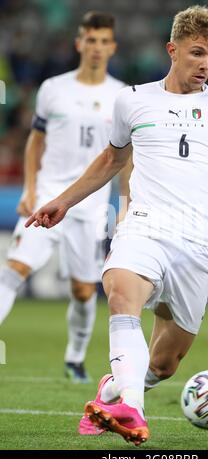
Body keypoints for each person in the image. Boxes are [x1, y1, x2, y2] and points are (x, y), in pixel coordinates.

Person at [26, 5, 208, 445]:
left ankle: (114, 389)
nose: (206, 65)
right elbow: (111, 160)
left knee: (165, 364)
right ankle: (132, 411)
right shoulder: (134, 99)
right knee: (121, 294)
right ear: (172, 50)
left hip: (199, 243)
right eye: (197, 53)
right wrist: (62, 200)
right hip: (145, 226)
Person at [0, 11, 130, 383]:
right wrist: (29, 188)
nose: (97, 48)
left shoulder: (121, 95)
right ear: (79, 44)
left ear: (113, 47)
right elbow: (35, 140)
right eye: (91, 40)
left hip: (90, 207)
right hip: (47, 196)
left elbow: (125, 157)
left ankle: (74, 359)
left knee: (84, 289)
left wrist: (124, 207)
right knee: (15, 270)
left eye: (105, 41)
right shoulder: (53, 88)